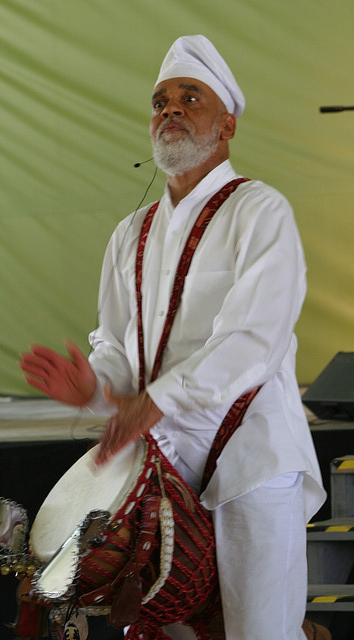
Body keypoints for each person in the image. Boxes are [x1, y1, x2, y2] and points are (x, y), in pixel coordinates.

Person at [20, 35, 328, 640]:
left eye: (191, 97)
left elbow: (253, 341)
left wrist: (152, 403)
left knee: (260, 633)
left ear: (228, 125)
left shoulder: (261, 211)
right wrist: (92, 387)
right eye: (160, 101)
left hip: (252, 461)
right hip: (162, 475)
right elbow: (115, 347)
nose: (171, 109)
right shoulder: (129, 233)